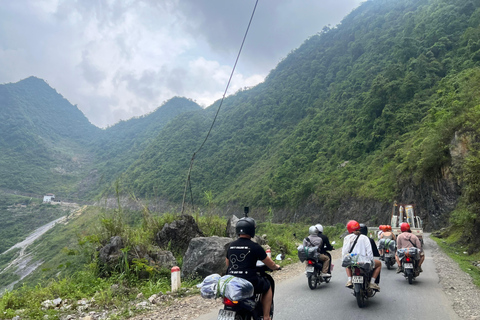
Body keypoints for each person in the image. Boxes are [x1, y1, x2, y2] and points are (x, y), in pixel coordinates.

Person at [226, 217, 280, 320]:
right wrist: (275, 267)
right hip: (249, 281)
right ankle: (266, 317)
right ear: (252, 230)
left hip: (231, 281)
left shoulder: (231, 246)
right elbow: (269, 263)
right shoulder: (255, 247)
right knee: (267, 286)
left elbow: (228, 263)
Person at [342, 220, 381, 291]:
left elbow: (344, 251)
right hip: (364, 261)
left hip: (352, 261)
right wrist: (371, 261)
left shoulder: (347, 238)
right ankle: (372, 282)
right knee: (379, 264)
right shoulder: (365, 238)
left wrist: (344, 260)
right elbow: (369, 252)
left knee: (347, 265)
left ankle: (349, 280)